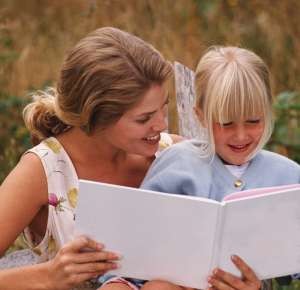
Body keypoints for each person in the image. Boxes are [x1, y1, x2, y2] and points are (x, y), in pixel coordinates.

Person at [0, 26, 178, 290]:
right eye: (144, 118)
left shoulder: (172, 155)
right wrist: (49, 276)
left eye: (165, 107)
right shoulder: (44, 171)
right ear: (94, 119)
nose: (162, 125)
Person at [141, 46, 300, 290]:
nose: (240, 136)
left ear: (268, 112)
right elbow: (136, 245)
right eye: (226, 123)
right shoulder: (176, 165)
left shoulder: (289, 177)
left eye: (254, 121)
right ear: (201, 116)